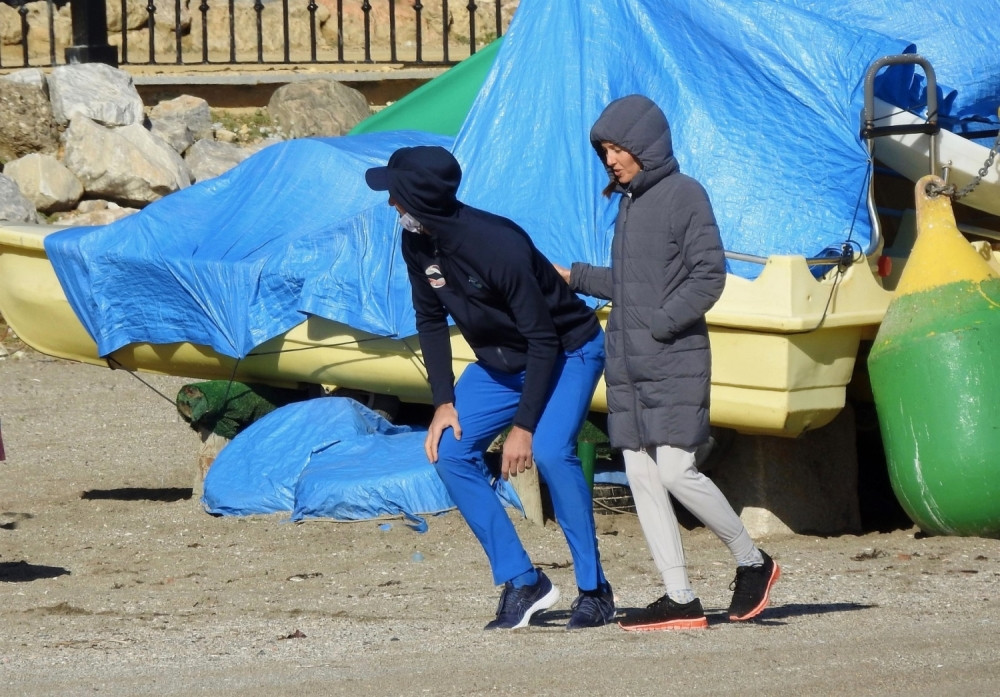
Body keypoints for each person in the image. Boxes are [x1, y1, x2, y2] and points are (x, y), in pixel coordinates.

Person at [365, 145, 615, 630]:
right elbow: (430, 320)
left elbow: (544, 339)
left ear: (420, 198)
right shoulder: (416, 241)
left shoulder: (498, 246)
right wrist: (442, 403)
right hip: (501, 364)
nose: (390, 205)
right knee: (450, 450)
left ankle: (594, 588)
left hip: (568, 351)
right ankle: (524, 581)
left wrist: (522, 428)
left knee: (549, 450)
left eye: (396, 195)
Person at [554, 94, 780, 631]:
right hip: (629, 367)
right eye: (604, 150)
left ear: (646, 146)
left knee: (677, 470)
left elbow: (709, 276)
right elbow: (631, 288)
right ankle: (679, 596)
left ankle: (754, 561)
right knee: (640, 475)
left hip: (673, 358)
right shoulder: (629, 206)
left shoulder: (685, 195)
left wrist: (661, 324)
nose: (610, 159)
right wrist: (575, 277)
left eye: (618, 148)